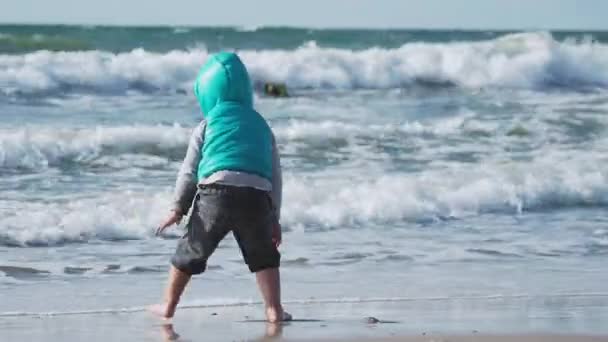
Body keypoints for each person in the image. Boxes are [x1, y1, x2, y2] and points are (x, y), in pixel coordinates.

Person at [150, 52, 291, 323]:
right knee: (264, 255)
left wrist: (177, 208)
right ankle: (274, 309)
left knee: (190, 250)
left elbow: (189, 171)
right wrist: (274, 217)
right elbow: (275, 175)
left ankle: (168, 306)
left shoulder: (207, 125)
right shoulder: (262, 125)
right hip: (257, 194)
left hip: (216, 192)